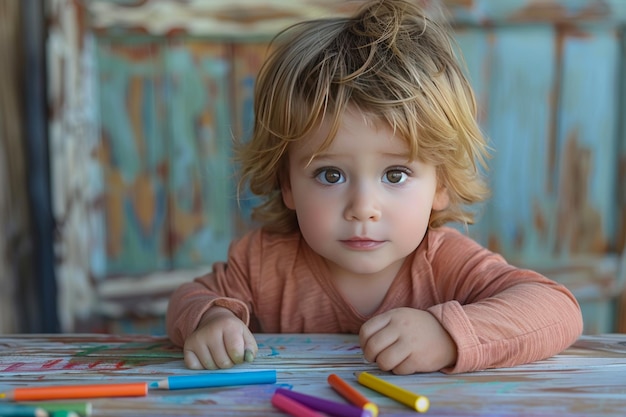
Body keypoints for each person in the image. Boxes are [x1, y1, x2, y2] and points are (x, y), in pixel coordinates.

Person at [166, 0, 583, 375]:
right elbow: (191, 298)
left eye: (395, 175)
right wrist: (212, 321)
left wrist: (448, 334)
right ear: (287, 184)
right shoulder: (262, 263)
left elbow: (557, 310)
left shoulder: (444, 263)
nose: (363, 208)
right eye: (331, 175)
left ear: (442, 185)